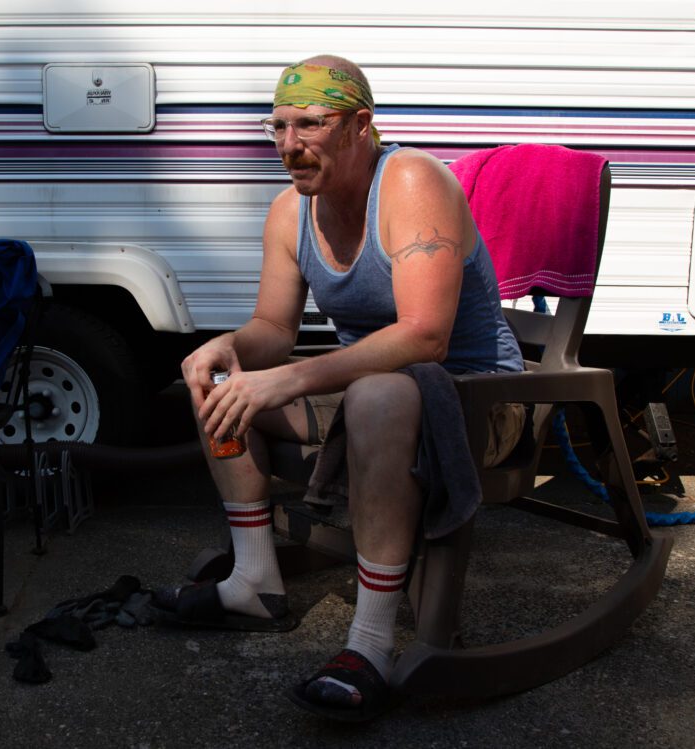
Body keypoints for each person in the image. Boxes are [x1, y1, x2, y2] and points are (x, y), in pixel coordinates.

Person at [163, 55, 524, 722]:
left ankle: (372, 643)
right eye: (276, 126)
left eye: (309, 124)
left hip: (477, 403)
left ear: (361, 126)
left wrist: (292, 376)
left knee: (378, 393)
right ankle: (253, 581)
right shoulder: (289, 211)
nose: (288, 145)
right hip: (370, 393)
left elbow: (424, 339)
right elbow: (275, 326)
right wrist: (230, 349)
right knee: (217, 384)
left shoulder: (412, 181)